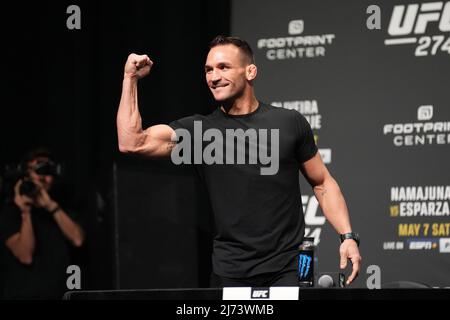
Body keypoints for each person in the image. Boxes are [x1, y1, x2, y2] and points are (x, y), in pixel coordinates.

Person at [116, 35, 361, 287]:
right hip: (229, 272)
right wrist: (130, 79)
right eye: (209, 70)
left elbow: (322, 183)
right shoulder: (199, 133)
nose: (213, 77)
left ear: (250, 71)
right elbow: (132, 142)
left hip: (286, 270)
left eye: (224, 67)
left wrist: (348, 237)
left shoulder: (288, 122)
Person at [0, 148, 85, 299]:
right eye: (37, 171)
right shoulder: (11, 212)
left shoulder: (63, 209)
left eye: (47, 171)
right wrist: (25, 212)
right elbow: (25, 255)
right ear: (26, 175)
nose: (42, 178)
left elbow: (78, 240)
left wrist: (50, 206)